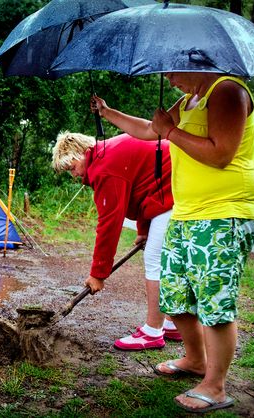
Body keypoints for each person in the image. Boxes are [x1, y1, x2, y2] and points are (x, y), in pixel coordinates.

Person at [91, 72, 254, 413]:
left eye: (171, 72)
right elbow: (147, 130)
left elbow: (221, 154)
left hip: (224, 213)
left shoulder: (227, 91)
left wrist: (170, 131)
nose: (169, 80)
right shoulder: (188, 101)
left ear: (194, 60)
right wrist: (108, 112)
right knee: (174, 292)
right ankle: (196, 361)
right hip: (185, 213)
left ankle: (215, 386)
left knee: (215, 302)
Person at [51, 131, 181, 350]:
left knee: (155, 260)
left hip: (177, 186)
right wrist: (144, 228)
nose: (73, 175)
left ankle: (152, 331)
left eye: (72, 168)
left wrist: (98, 274)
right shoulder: (105, 155)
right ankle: (173, 324)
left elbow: (110, 223)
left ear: (82, 153)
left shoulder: (104, 167)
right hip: (169, 187)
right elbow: (143, 185)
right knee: (168, 261)